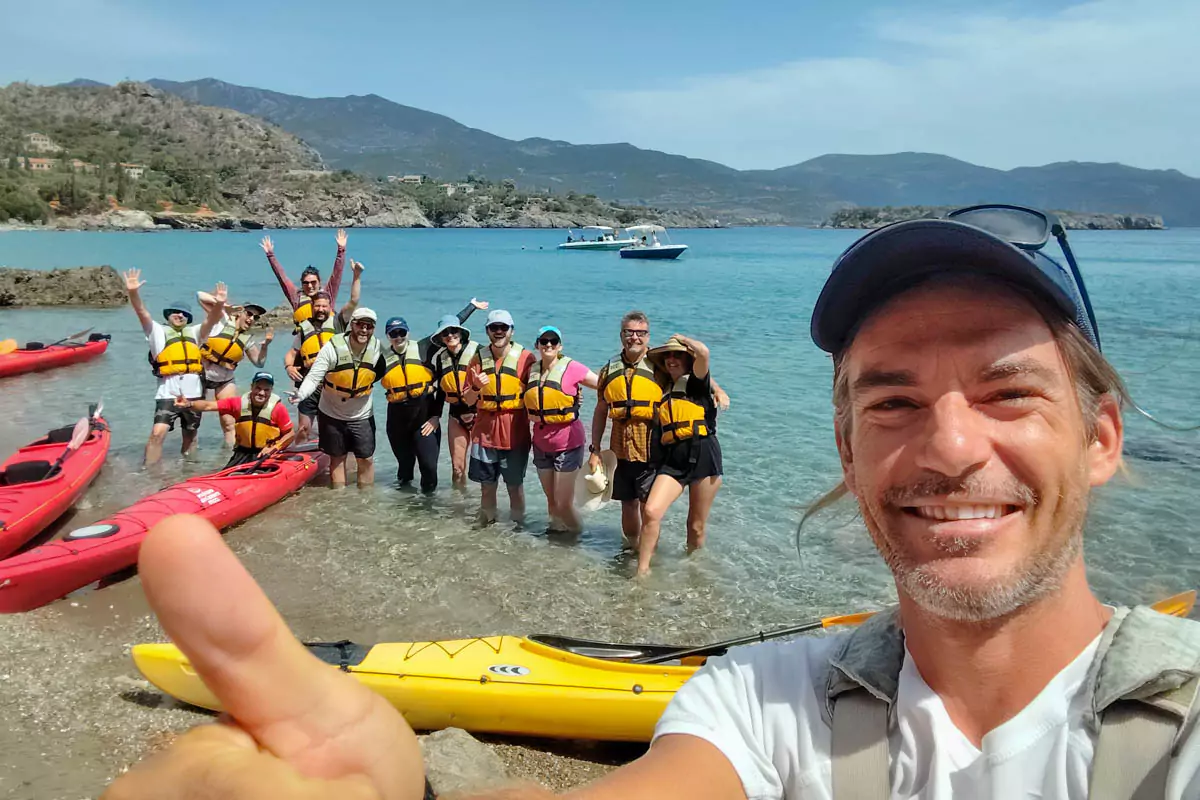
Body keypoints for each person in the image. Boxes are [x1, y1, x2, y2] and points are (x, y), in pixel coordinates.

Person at [102, 205, 1200, 800]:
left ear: (1101, 437)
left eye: (1008, 389)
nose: (952, 444)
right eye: (894, 398)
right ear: (847, 448)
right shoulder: (757, 707)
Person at [590, 311, 728, 549]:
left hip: (651, 446)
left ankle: (649, 556)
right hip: (620, 445)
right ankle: (631, 549)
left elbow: (694, 375)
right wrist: (595, 449)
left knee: (649, 507)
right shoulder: (608, 369)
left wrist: (717, 389)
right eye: (629, 332)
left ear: (647, 335)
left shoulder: (660, 365)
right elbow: (601, 409)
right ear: (621, 335)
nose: (635, 338)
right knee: (627, 503)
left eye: (640, 333)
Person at [380, 298, 486, 492]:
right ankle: (405, 507)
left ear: (407, 332)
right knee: (406, 469)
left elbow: (452, 326)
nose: (398, 336)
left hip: (426, 417)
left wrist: (471, 307)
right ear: (387, 336)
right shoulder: (382, 358)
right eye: (393, 333)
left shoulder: (423, 348)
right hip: (397, 419)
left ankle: (438, 510)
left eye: (401, 332)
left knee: (431, 469)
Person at [637, 335, 722, 576]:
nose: (672, 359)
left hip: (704, 454)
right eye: (668, 356)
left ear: (687, 359)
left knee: (695, 527)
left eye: (678, 355)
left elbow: (704, 352)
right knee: (652, 511)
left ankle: (694, 573)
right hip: (673, 459)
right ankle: (642, 573)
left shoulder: (697, 383)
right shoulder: (663, 389)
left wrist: (682, 339)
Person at [122, 268, 226, 466]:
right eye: (176, 313)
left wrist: (219, 303)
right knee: (157, 433)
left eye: (185, 314)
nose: (180, 315)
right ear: (168, 315)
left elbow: (211, 320)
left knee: (191, 435)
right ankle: (149, 472)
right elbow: (141, 312)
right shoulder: (157, 332)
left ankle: (189, 471)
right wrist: (133, 292)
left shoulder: (195, 333)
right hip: (167, 394)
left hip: (194, 393)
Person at [291, 307, 381, 489]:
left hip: (361, 414)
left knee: (366, 459)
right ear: (351, 326)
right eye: (360, 325)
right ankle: (338, 501)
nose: (364, 330)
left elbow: (383, 373)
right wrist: (301, 394)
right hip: (331, 413)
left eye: (369, 326)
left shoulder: (377, 348)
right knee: (337, 459)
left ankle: (366, 502)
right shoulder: (332, 348)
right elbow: (314, 376)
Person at [461, 309, 535, 525]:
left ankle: (517, 530)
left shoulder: (526, 359)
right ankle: (487, 528)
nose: (499, 331)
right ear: (487, 331)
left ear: (512, 331)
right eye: (494, 327)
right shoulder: (477, 360)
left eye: (504, 327)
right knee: (487, 487)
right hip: (484, 434)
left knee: (515, 487)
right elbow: (467, 400)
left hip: (515, 434)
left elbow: (542, 389)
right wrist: (475, 386)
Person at [522, 325, 599, 533]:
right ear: (537, 344)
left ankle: (578, 538)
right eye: (544, 341)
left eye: (553, 341)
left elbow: (603, 385)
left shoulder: (572, 367)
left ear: (560, 346)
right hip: (541, 443)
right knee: (552, 502)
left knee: (563, 504)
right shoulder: (532, 370)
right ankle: (556, 542)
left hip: (568, 443)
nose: (548, 345)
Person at [282, 260, 364, 442]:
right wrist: (288, 366)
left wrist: (356, 276)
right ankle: (302, 462)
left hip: (332, 386)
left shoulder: (338, 323)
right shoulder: (304, 328)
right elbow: (292, 352)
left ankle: (339, 454)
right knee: (303, 429)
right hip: (310, 384)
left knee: (335, 431)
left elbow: (354, 301)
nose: (320, 309)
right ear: (312, 307)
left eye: (324, 306)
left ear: (329, 307)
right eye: (317, 306)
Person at [194, 294, 273, 447]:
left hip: (224, 380)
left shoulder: (248, 340)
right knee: (193, 420)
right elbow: (200, 296)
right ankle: (190, 460)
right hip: (200, 375)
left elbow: (259, 363)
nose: (251, 319)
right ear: (240, 313)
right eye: (249, 314)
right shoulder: (221, 320)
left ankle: (230, 456)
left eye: (255, 318)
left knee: (229, 422)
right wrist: (223, 306)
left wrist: (265, 347)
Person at [173, 371, 294, 468]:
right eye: (258, 388)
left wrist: (274, 448)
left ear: (271, 391)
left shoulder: (278, 409)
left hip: (267, 454)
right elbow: (208, 405)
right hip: (242, 453)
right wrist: (189, 404)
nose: (261, 393)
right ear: (252, 387)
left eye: (266, 390)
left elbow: (290, 434)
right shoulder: (238, 404)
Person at [429, 315, 480, 488]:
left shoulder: (478, 352)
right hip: (455, 415)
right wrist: (435, 415)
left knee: (485, 467)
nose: (450, 335)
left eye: (454, 331)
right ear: (441, 338)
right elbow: (442, 390)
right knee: (457, 469)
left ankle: (485, 506)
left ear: (461, 333)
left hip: (479, 414)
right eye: (445, 333)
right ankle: (458, 506)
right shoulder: (440, 358)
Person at [260, 229, 348, 326]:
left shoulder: (328, 295)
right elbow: (282, 278)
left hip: (327, 339)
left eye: (313, 282)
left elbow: (337, 274)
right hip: (305, 340)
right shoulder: (296, 298)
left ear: (319, 283)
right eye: (306, 283)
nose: (310, 286)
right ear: (302, 284)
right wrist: (270, 255)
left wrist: (341, 250)